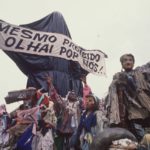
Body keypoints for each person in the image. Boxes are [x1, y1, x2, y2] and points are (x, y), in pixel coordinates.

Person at [106, 53, 150, 141]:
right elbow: (112, 95)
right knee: (139, 138)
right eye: (125, 60)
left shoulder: (140, 72)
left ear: (133, 63)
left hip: (146, 107)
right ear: (122, 64)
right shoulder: (118, 77)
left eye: (130, 60)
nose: (128, 62)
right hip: (133, 113)